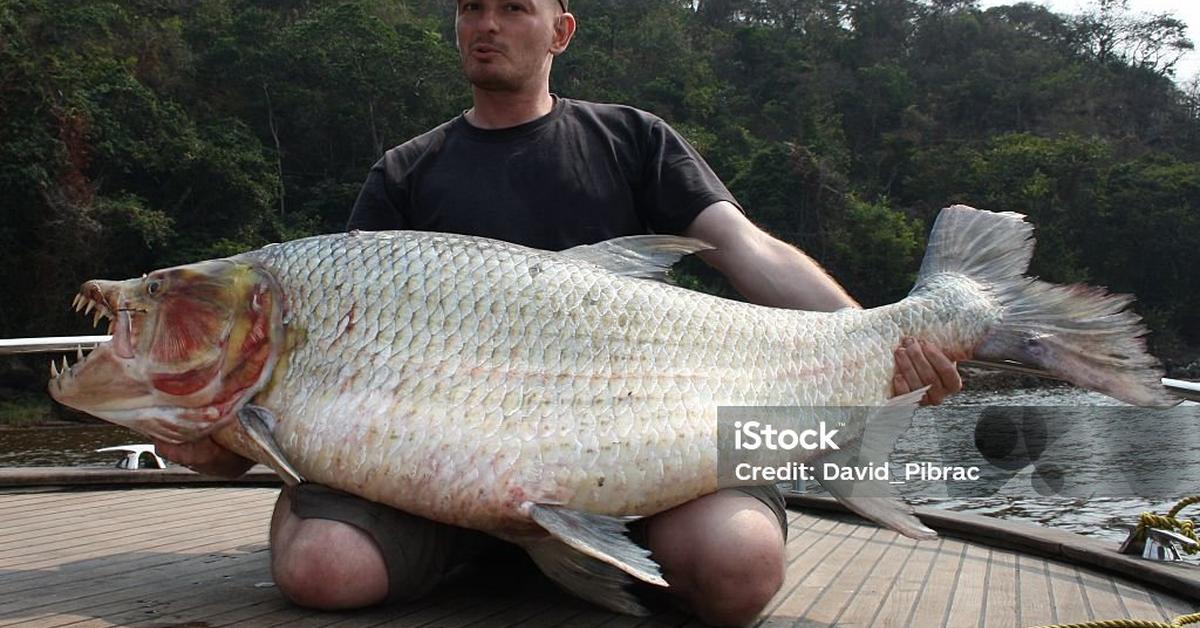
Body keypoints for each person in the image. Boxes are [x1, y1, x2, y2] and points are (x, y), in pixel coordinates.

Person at [156, 0, 963, 624]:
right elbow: (331, 356)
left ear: (561, 30)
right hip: (433, 472)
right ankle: (483, 547)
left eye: (512, 7)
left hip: (642, 445)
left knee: (738, 572)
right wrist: (226, 441)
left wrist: (877, 335)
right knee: (321, 571)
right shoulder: (405, 171)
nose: (486, 24)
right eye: (471, 7)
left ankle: (567, 546)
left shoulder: (634, 139)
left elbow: (748, 250)